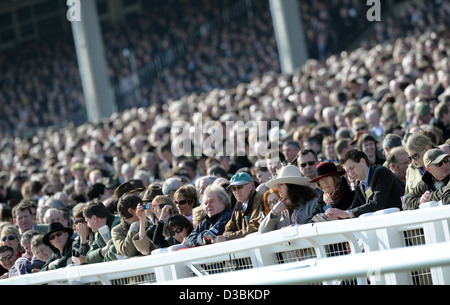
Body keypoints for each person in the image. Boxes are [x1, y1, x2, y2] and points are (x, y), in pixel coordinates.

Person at [325, 149, 404, 220]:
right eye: (348, 171)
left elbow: (377, 203)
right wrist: (337, 216)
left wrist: (346, 214)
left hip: (399, 222)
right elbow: (354, 207)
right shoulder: (358, 183)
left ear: (363, 161)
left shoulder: (381, 172)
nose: (350, 174)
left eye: (352, 168)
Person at [259, 165, 318, 233]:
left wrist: (294, 228)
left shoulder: (312, 203)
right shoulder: (279, 208)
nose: (278, 187)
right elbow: (262, 232)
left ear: (291, 186)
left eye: (281, 184)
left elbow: (317, 227)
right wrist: (274, 212)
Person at [214, 172, 264, 242]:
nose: (236, 191)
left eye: (239, 187)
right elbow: (228, 229)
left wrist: (228, 238)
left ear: (250, 186)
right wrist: (227, 236)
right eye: (233, 189)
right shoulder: (239, 204)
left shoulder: (260, 199)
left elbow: (255, 226)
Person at [84, 199, 121, 264]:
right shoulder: (97, 233)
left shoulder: (118, 224)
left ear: (94, 218)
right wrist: (103, 250)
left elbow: (114, 254)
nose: (88, 225)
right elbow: (89, 257)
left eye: (87, 221)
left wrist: (99, 263)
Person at [112, 193, 145, 258]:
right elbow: (128, 252)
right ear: (131, 211)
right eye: (140, 207)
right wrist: (133, 228)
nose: (143, 209)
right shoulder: (117, 231)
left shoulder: (146, 223)